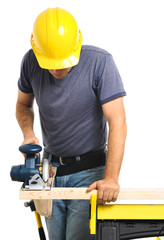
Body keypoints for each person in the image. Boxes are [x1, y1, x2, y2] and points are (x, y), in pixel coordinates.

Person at [16, 7, 127, 240]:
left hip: (89, 172)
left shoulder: (100, 62)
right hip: (48, 171)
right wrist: (28, 133)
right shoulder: (30, 62)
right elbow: (23, 105)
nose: (56, 69)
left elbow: (117, 122)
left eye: (62, 62)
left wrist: (111, 178)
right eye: (50, 62)